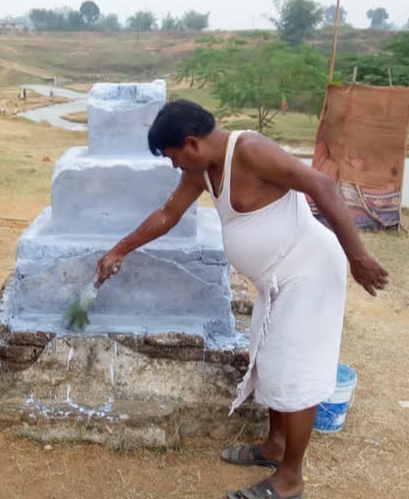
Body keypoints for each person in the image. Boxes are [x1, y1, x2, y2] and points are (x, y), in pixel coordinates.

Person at [95, 100, 387, 499]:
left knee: (294, 372)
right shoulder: (201, 170)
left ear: (192, 143)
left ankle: (290, 480)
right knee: (267, 359)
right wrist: (120, 249)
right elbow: (168, 214)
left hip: (309, 272)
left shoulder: (250, 150)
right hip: (276, 280)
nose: (174, 166)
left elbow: (322, 185)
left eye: (173, 156)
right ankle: (275, 445)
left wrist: (358, 256)